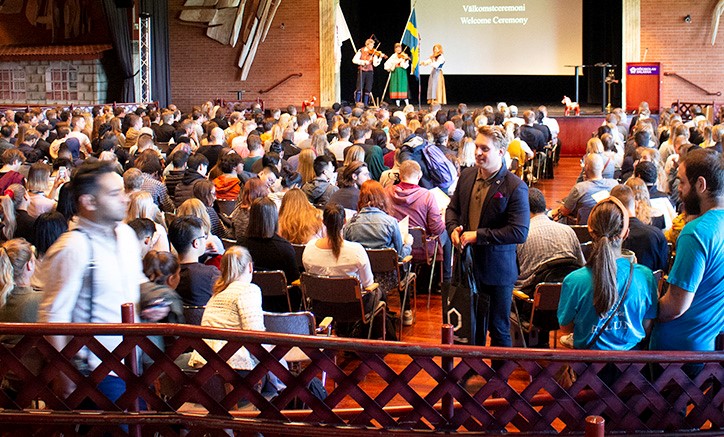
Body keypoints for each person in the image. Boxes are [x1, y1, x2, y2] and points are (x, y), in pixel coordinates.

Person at [37, 161, 155, 402]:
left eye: (122, 191)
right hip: (98, 373)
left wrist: (153, 299)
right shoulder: (73, 247)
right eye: (114, 194)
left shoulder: (126, 235)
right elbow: (53, 317)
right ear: (89, 202)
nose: (124, 199)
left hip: (133, 362)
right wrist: (66, 376)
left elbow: (137, 282)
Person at [446, 125, 530, 348]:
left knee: (499, 328)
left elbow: (519, 231)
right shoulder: (467, 176)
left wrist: (479, 236)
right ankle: (467, 374)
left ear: (501, 152)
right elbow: (452, 209)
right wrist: (453, 227)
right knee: (467, 327)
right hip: (466, 266)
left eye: (485, 148)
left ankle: (498, 381)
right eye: (476, 147)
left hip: (497, 271)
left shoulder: (515, 186)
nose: (478, 152)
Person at [558, 197, 658, 350]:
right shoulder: (645, 276)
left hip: (586, 367)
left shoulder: (574, 281)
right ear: (625, 234)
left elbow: (566, 328)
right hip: (633, 367)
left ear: (590, 231)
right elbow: (646, 325)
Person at [652, 149, 724, 355]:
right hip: (711, 346)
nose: (679, 190)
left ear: (701, 185)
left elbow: (675, 307)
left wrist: (643, 310)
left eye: (682, 182)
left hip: (678, 349)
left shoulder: (696, 232)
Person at [187, 246, 284, 399]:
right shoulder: (248, 290)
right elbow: (256, 337)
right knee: (279, 364)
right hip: (236, 369)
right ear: (250, 267)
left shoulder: (217, 294)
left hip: (207, 369)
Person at [303, 203, 380, 333]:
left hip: (321, 306)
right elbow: (368, 285)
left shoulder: (309, 249)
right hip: (353, 309)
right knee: (379, 293)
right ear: (345, 221)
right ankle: (368, 343)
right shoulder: (356, 250)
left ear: (323, 222)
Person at [239, 197, 300, 311]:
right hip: (281, 307)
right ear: (274, 218)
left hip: (249, 305)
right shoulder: (284, 249)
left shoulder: (240, 246)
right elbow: (295, 284)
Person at [610, 184, 668, 273]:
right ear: (636, 205)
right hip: (650, 285)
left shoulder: (611, 236)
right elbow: (663, 272)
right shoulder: (657, 235)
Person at [168, 215, 220, 307]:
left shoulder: (167, 273)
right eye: (204, 236)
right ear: (196, 243)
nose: (205, 240)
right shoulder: (211, 273)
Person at [352, 39, 384, 106]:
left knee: (368, 87)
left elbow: (375, 64)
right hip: (362, 71)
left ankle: (366, 103)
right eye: (371, 45)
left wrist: (380, 58)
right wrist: (363, 62)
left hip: (370, 71)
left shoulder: (373, 52)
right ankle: (357, 103)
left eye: (373, 45)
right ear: (367, 44)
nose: (372, 46)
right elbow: (354, 60)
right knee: (359, 87)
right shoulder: (361, 51)